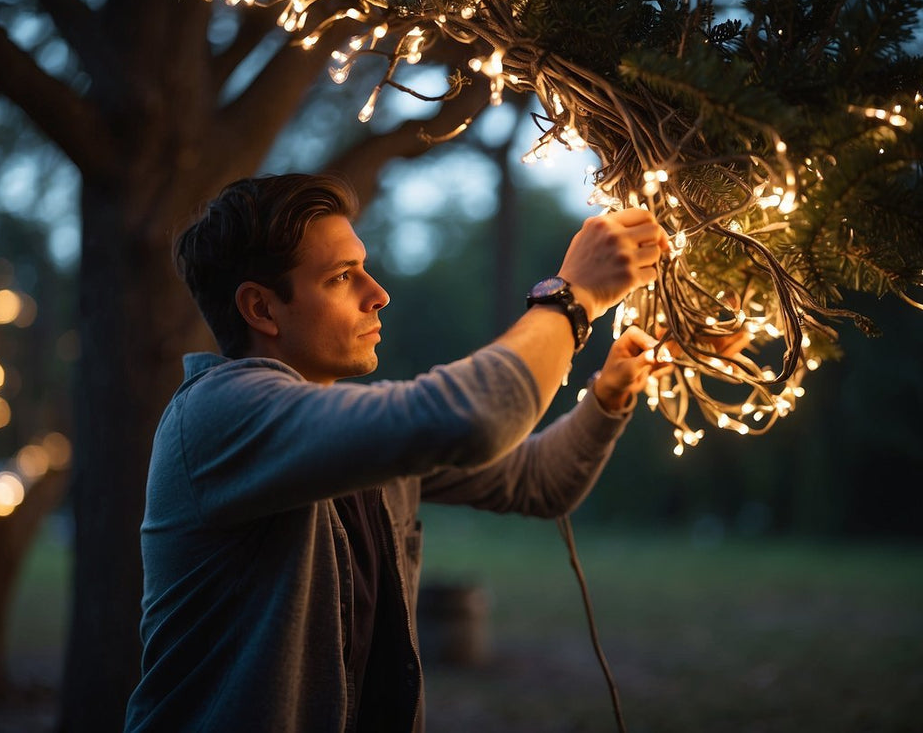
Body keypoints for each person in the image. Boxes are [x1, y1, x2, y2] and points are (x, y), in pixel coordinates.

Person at [123, 172, 668, 732]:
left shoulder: (349, 438)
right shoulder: (219, 414)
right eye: (342, 277)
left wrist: (611, 393)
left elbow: (538, 480)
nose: (378, 293)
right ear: (261, 308)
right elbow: (474, 418)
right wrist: (569, 297)